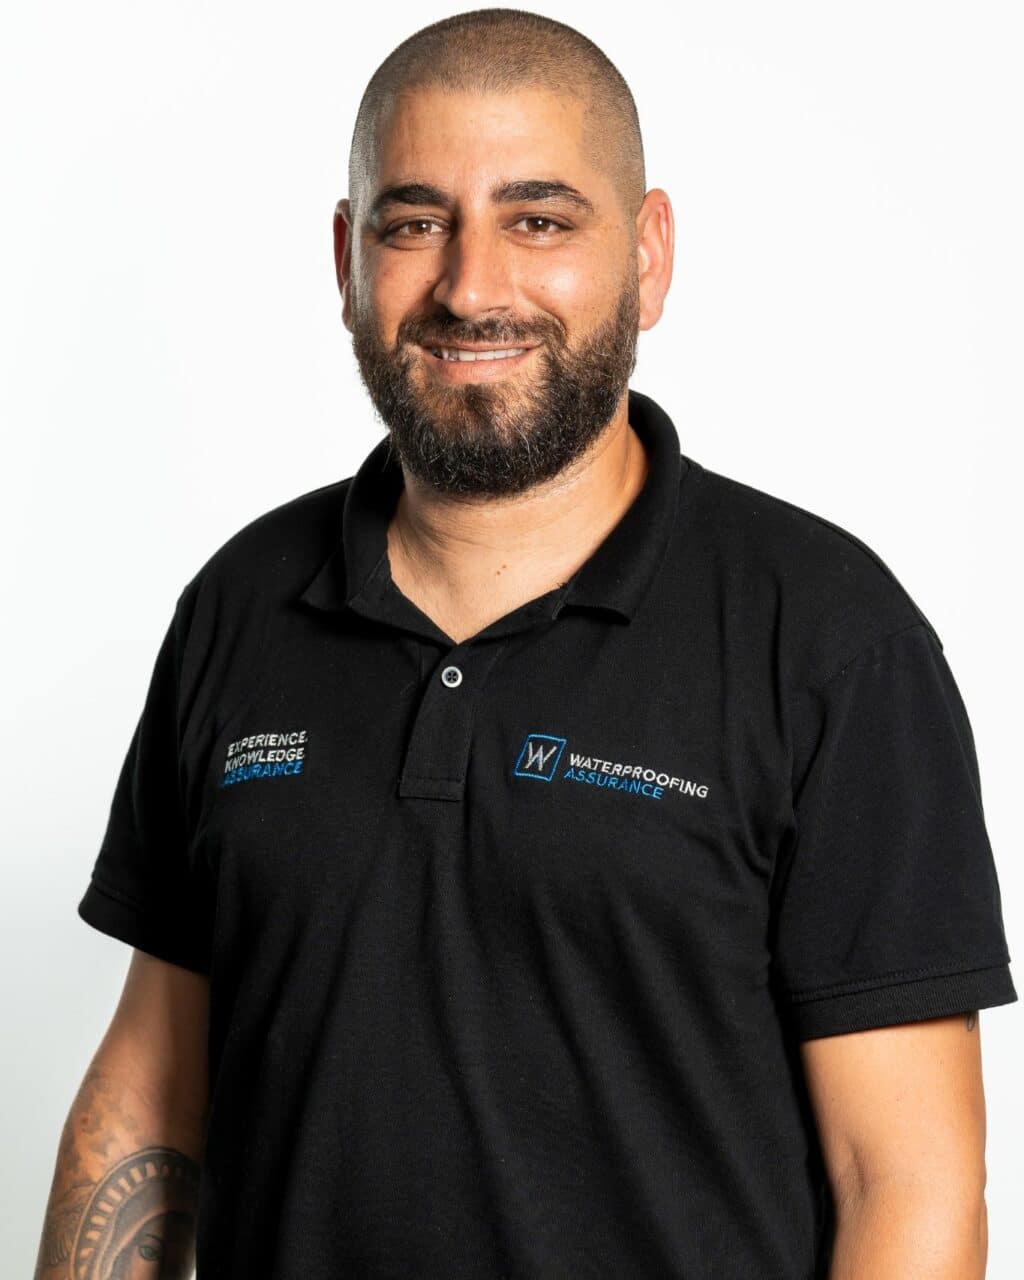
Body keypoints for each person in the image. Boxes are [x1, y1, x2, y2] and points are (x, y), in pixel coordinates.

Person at [35, 9, 1016, 1279]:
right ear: (346, 259)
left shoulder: (827, 635)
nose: (470, 284)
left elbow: (907, 1182)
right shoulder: (241, 602)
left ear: (649, 255)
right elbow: (155, 1083)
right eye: (412, 222)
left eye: (539, 220)